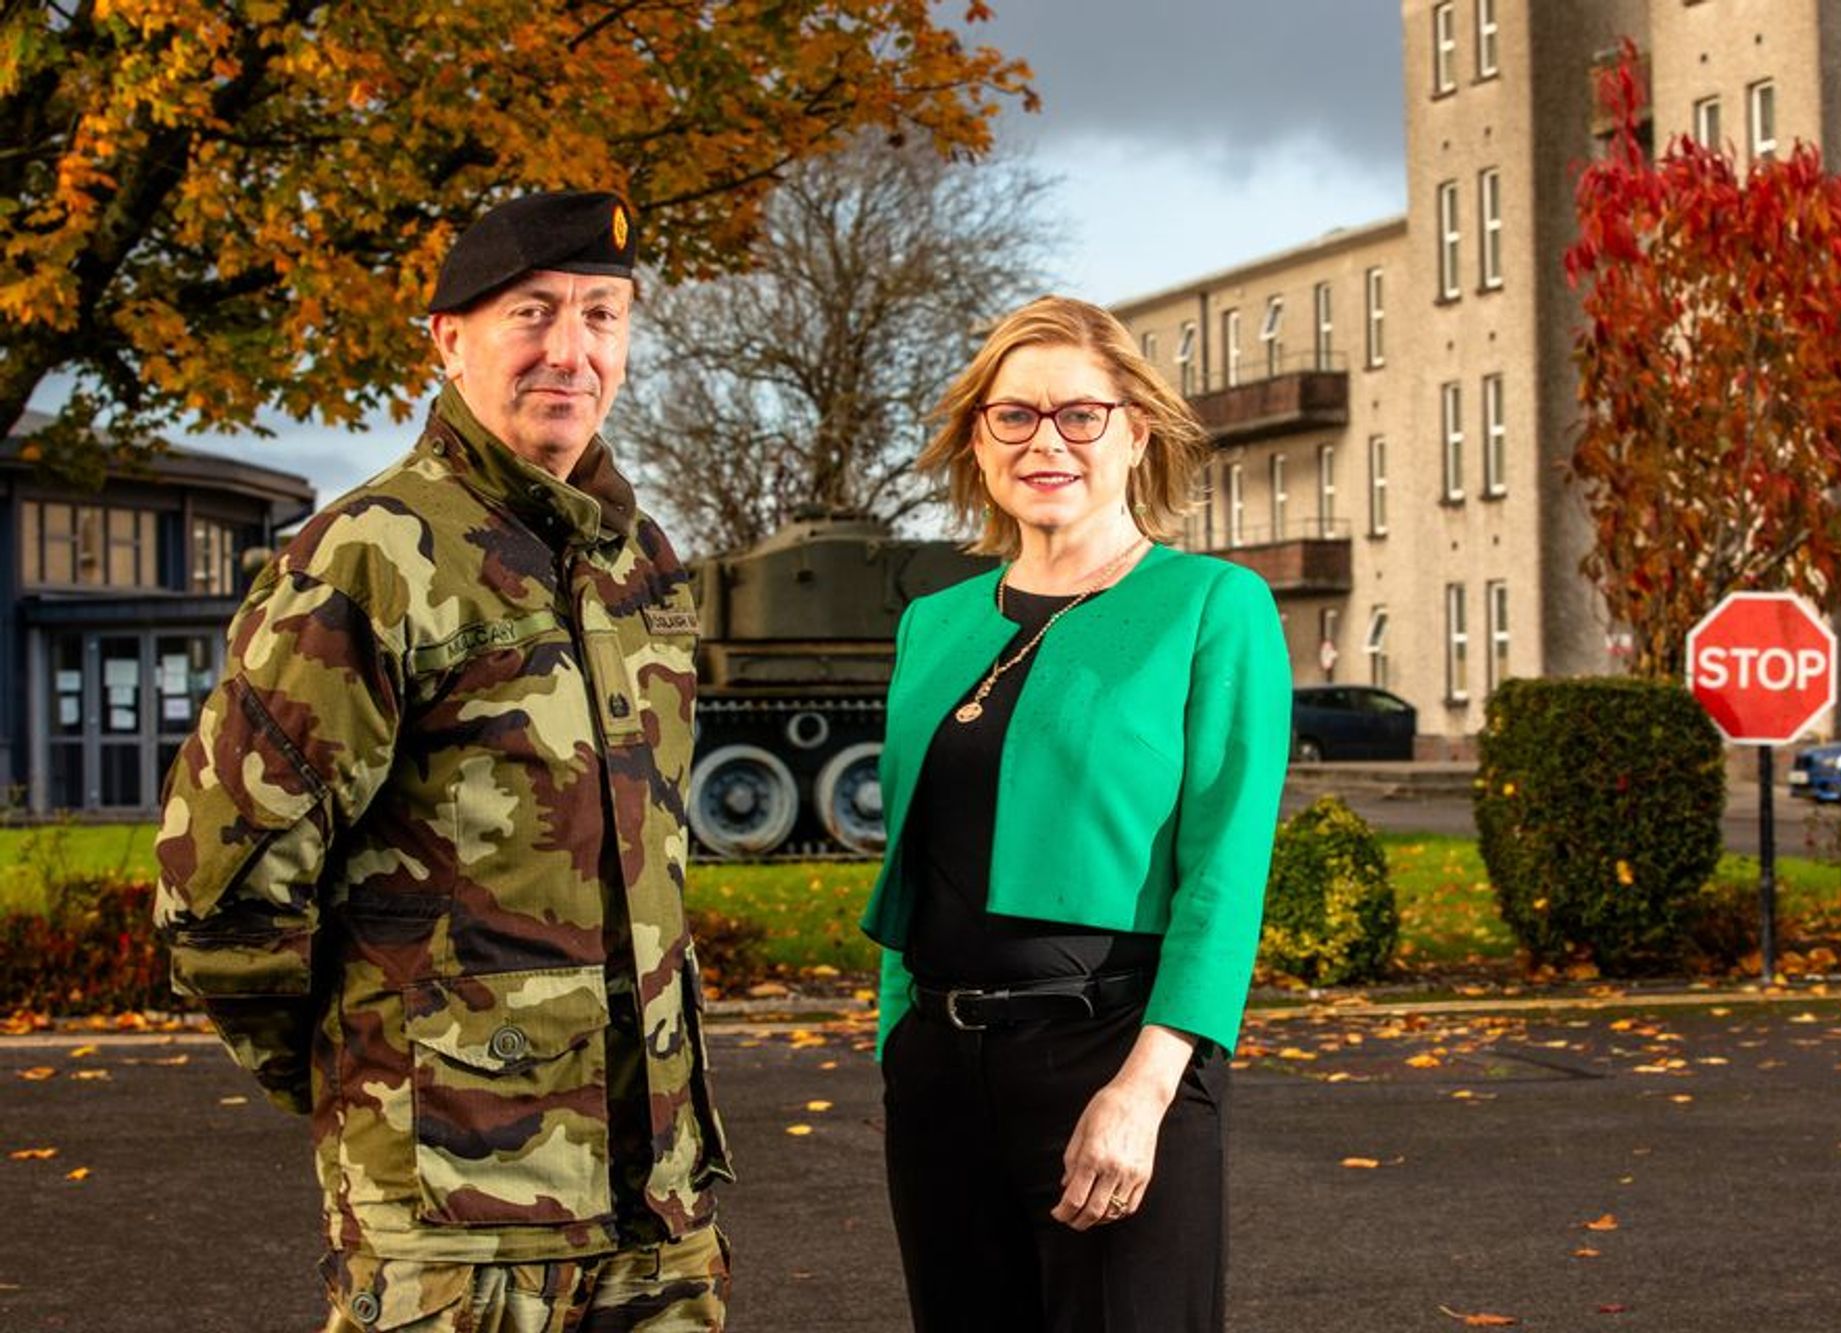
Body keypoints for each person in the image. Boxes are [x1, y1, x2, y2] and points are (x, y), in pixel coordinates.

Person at [153, 191, 732, 1332]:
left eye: (602, 316)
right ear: (447, 338)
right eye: (533, 313)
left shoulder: (640, 562)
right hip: (458, 1227)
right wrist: (370, 1076)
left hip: (657, 1207)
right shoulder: (371, 557)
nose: (572, 351)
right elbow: (220, 892)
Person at [859, 294, 1292, 1332]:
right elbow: (918, 856)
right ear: (978, 436)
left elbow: (1223, 876)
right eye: (1013, 415)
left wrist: (1143, 1090)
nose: (1044, 439)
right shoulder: (932, 623)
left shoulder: (1210, 606)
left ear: (1135, 430)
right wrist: (895, 1045)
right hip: (939, 1070)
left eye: (1079, 414)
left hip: (1109, 1050)